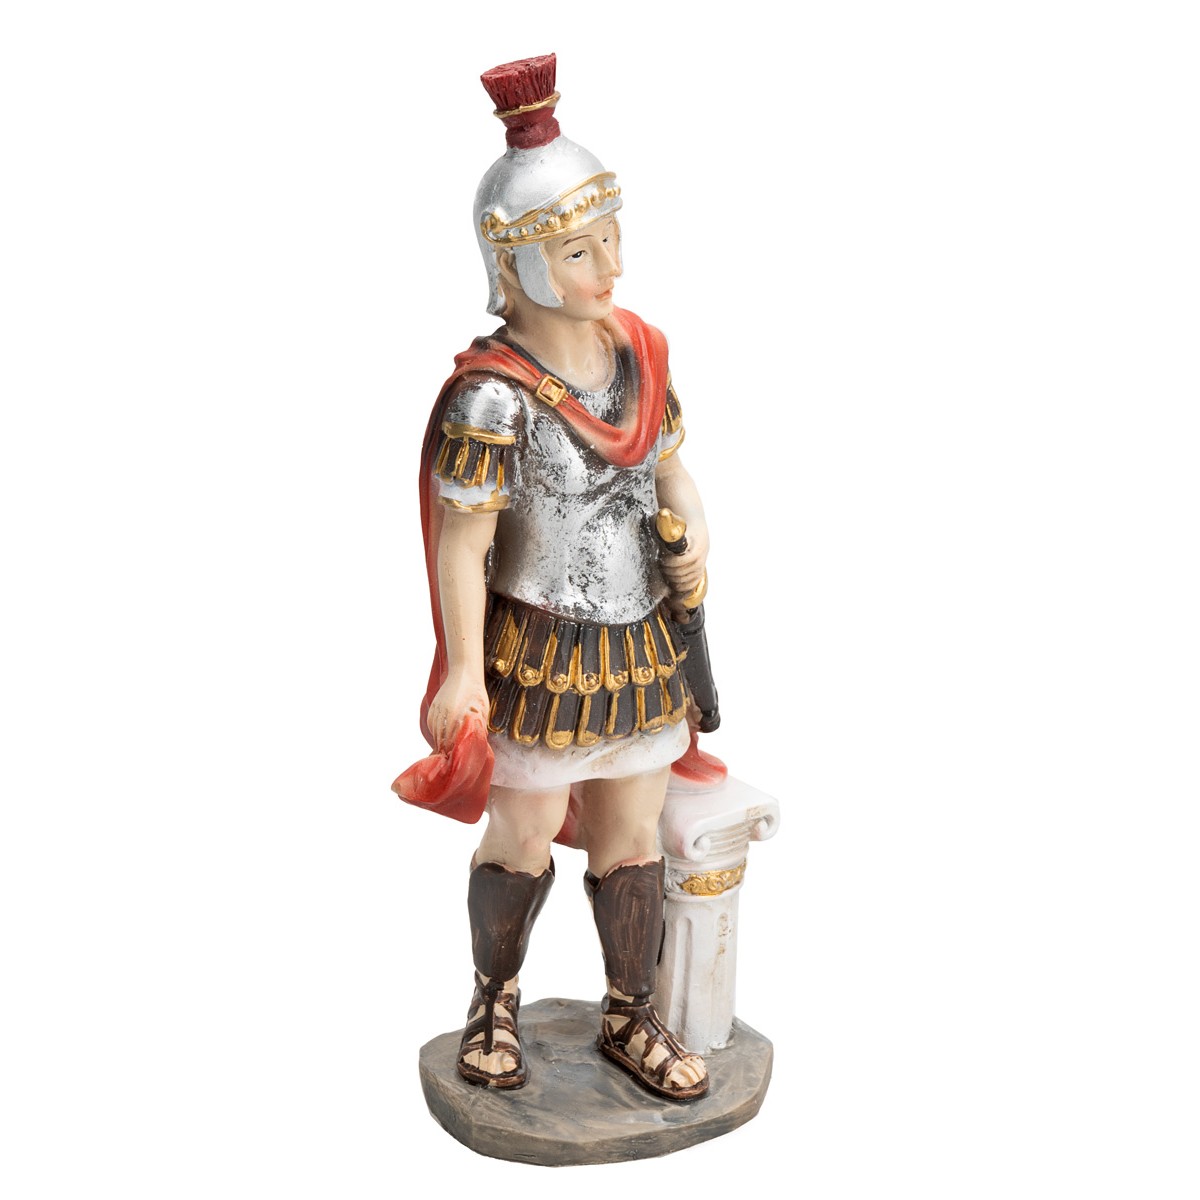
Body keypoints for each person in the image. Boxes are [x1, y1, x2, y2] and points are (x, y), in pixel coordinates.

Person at [398, 54, 713, 1102]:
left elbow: (673, 473)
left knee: (631, 831)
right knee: (526, 831)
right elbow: (464, 543)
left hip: (641, 638)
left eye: (611, 237)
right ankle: (494, 1002)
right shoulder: (492, 399)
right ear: (519, 260)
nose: (608, 265)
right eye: (579, 250)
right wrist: (462, 671)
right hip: (538, 646)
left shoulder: (640, 357)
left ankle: (631, 1011)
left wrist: (696, 543)